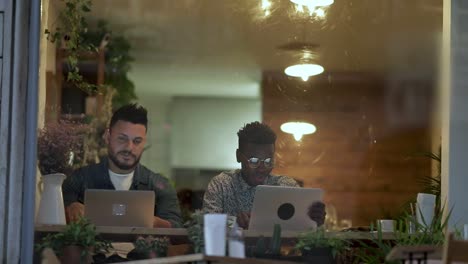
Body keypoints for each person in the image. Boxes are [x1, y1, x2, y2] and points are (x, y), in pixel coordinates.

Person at [62, 104, 182, 228]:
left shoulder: (160, 186)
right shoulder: (78, 179)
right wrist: (71, 207)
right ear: (107, 137)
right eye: (122, 139)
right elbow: (54, 221)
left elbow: (176, 229)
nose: (129, 147)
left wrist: (152, 222)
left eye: (137, 141)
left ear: (144, 142)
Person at [203, 121, 325, 229]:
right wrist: (234, 222)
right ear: (238, 156)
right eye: (254, 161)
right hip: (229, 255)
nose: (262, 169)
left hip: (275, 255)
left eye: (268, 161)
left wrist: (315, 222)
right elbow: (206, 224)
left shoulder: (286, 186)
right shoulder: (221, 185)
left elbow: (302, 231)